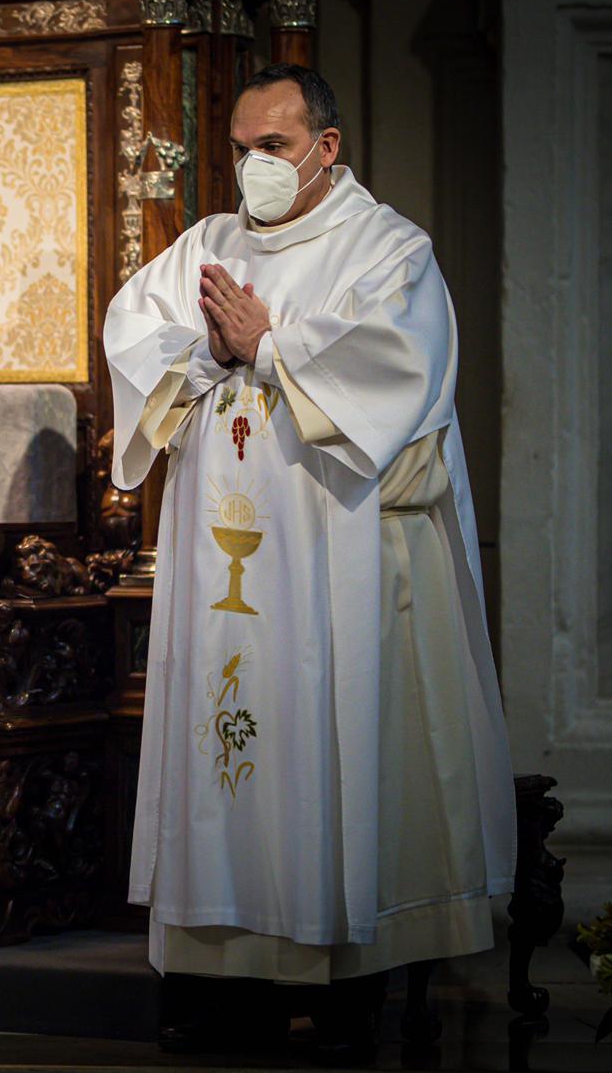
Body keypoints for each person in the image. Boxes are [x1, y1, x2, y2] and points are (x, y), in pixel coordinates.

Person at [106, 64, 515, 1049]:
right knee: (225, 743)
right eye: (241, 150)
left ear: (326, 147)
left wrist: (268, 343)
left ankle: (335, 981)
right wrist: (210, 353)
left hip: (331, 558)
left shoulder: (388, 251)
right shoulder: (206, 244)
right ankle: (216, 980)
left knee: (324, 743)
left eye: (275, 148)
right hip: (223, 570)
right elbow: (138, 335)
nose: (255, 167)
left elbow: (397, 377)